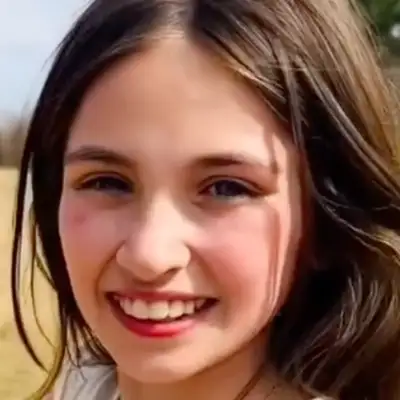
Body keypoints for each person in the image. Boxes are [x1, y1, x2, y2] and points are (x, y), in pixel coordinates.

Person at [10, 0, 400, 399]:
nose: (149, 255)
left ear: (326, 217)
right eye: (107, 182)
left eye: (227, 188)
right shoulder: (84, 387)